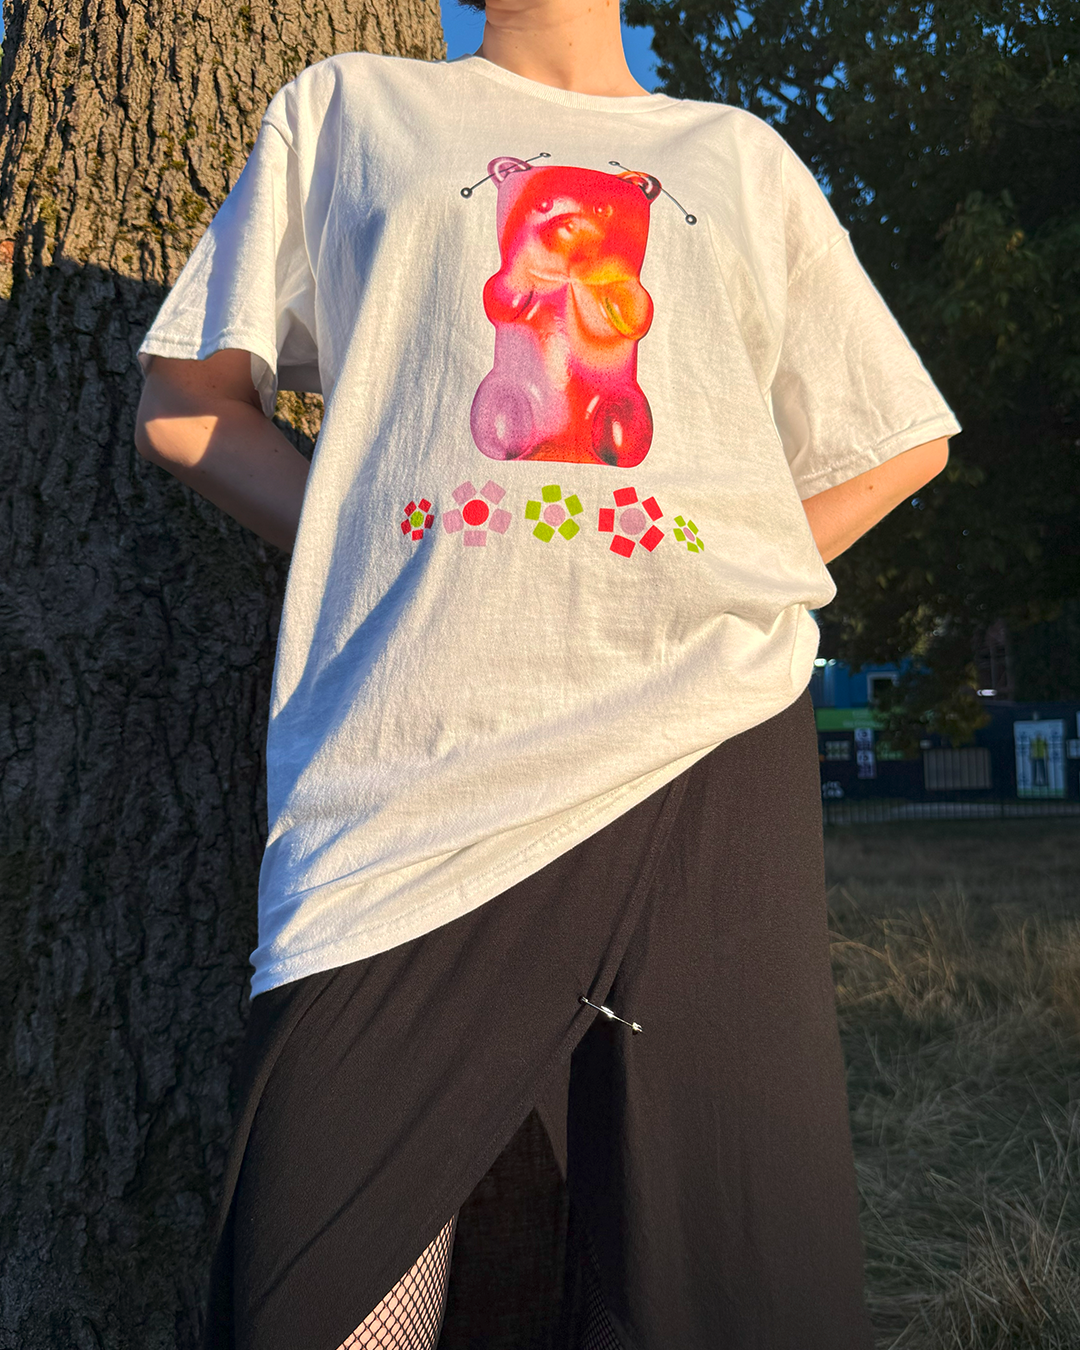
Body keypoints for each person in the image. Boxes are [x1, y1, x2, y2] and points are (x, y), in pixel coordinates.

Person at [134, 2, 960, 1347]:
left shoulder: (736, 156)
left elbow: (895, 436)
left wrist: (724, 571)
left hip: (703, 741)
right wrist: (359, 533)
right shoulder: (348, 110)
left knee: (731, 1282)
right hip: (405, 781)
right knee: (314, 1285)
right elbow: (185, 402)